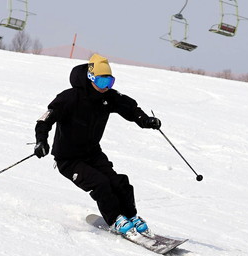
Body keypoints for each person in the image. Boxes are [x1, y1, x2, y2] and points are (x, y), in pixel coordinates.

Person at [34, 53, 162, 236]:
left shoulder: (108, 97)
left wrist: (146, 120)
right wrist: (41, 141)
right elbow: (45, 120)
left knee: (120, 182)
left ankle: (131, 216)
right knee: (101, 184)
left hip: (93, 154)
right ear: (90, 78)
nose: (106, 87)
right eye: (102, 83)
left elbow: (130, 109)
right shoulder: (70, 98)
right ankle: (116, 220)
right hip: (68, 159)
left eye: (110, 82)